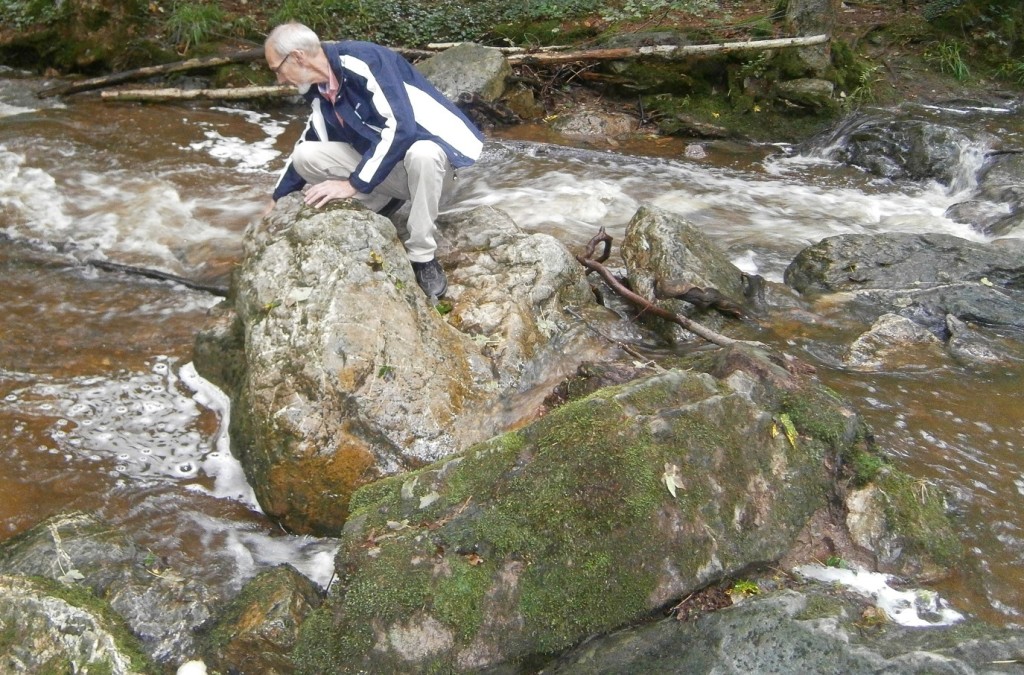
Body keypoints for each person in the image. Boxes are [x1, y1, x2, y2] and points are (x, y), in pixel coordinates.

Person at [263, 22, 485, 298]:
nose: (280, 80)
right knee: (304, 156)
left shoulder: (364, 60)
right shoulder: (320, 90)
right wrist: (277, 199)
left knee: (423, 152)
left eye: (277, 70)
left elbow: (401, 127)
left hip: (438, 170)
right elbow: (310, 139)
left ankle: (423, 257)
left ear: (297, 57)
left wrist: (353, 184)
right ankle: (382, 201)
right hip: (393, 172)